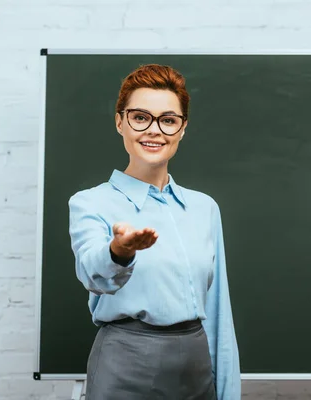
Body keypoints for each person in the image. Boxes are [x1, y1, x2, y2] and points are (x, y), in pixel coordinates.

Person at [67, 64, 241, 399]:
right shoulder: (90, 202)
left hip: (195, 364)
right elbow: (93, 273)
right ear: (120, 122)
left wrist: (228, 392)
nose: (154, 130)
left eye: (168, 120)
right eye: (140, 117)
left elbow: (219, 313)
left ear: (182, 128)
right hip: (125, 363)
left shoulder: (204, 208)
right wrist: (120, 251)